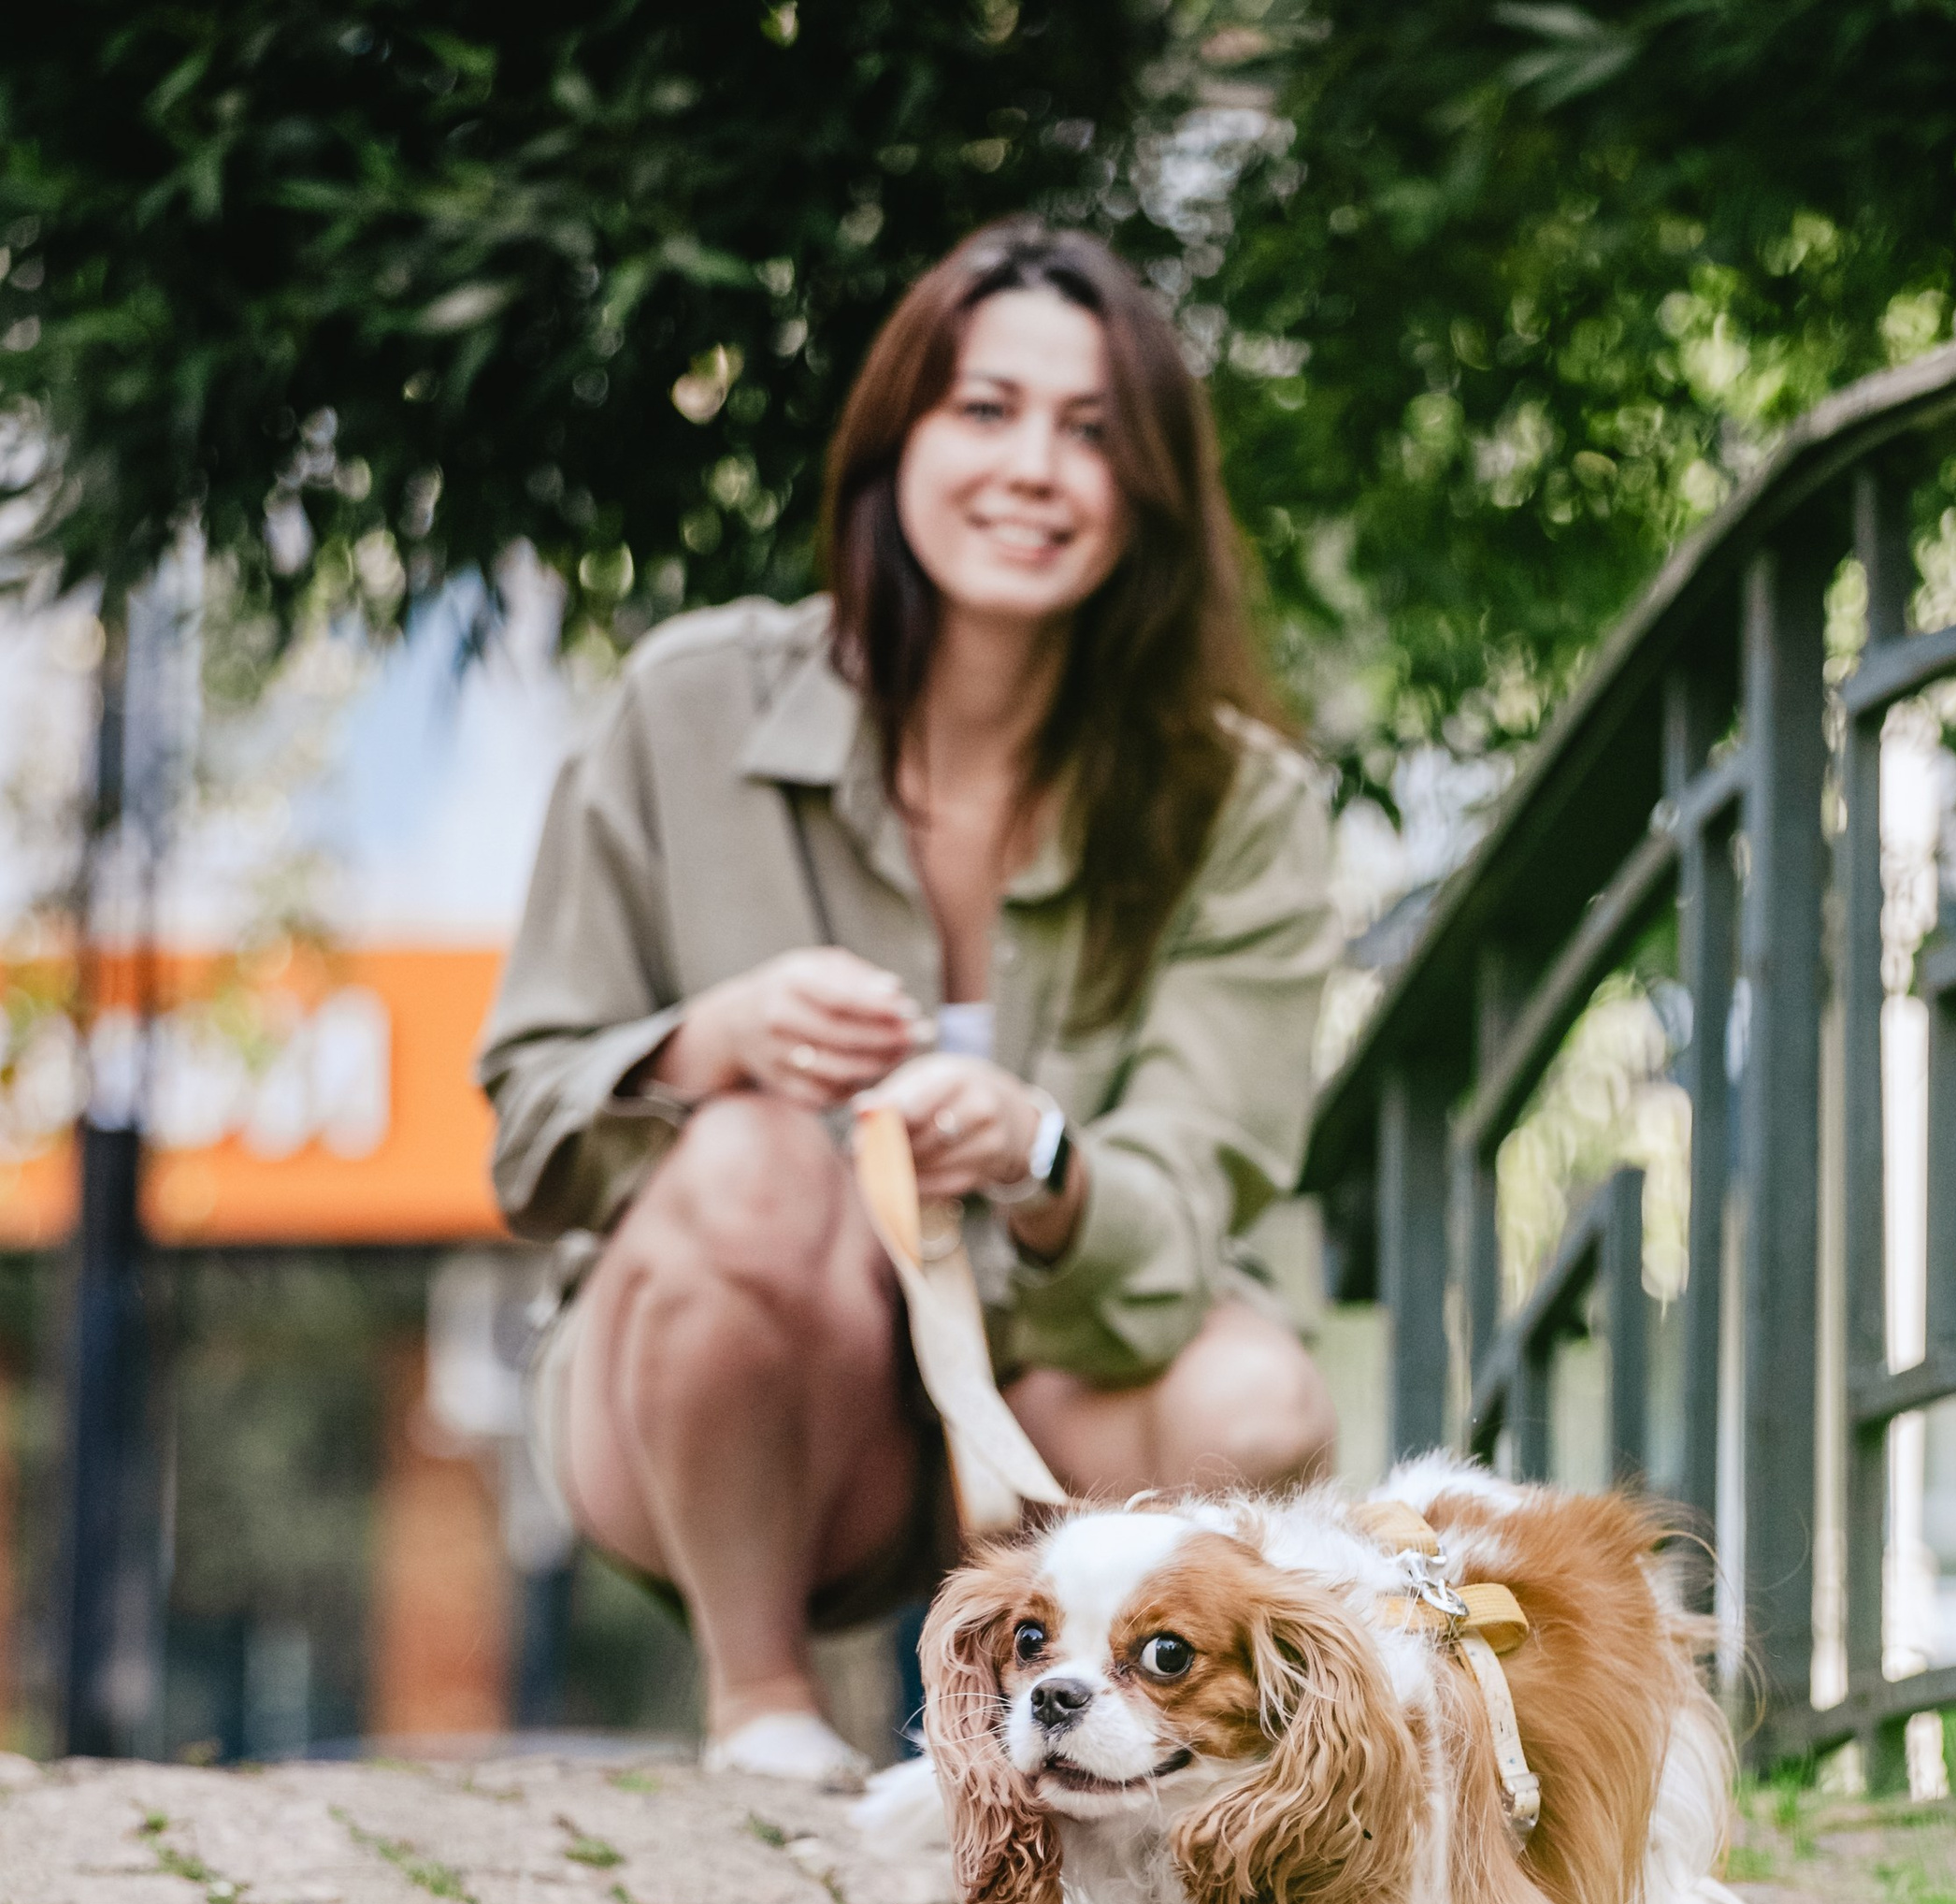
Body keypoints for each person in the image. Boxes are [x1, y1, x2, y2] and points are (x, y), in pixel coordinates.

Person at [478, 218, 1341, 1785]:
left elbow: (1198, 1188)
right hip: (739, 1412)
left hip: (1054, 1390)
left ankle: (1107, 1750)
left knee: (1263, 1398)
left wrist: (1040, 1152)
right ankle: (760, 1710)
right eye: (985, 410)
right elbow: (526, 1119)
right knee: (743, 1155)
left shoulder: (1244, 803)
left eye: (1092, 433)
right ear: (896, 442)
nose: (1035, 468)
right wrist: (706, 1042)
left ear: (1146, 494)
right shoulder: (690, 703)